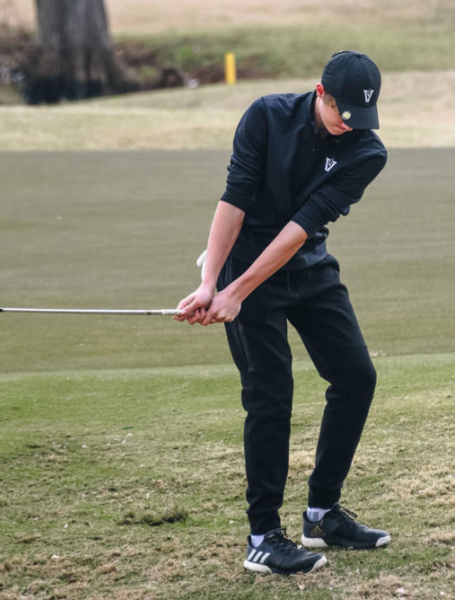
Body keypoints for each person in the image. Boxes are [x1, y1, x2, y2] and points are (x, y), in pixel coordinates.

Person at [176, 50, 390, 575]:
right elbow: (235, 200)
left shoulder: (368, 152)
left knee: (356, 377)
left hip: (305, 262)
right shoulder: (266, 116)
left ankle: (320, 514)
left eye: (360, 119)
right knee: (271, 395)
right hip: (245, 261)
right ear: (321, 93)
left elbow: (301, 226)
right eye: (343, 114)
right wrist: (213, 284)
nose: (350, 127)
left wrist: (236, 292)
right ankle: (262, 537)